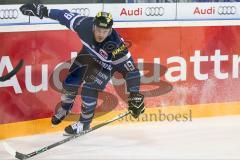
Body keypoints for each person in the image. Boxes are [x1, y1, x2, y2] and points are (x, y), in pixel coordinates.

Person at [19, 3, 145, 135]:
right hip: (88, 54)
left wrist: (134, 94)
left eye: (105, 31)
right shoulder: (83, 25)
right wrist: (43, 10)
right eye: (98, 30)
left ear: (110, 31)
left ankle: (84, 124)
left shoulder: (116, 46)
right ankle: (65, 108)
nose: (101, 34)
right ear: (93, 26)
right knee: (69, 84)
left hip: (106, 66)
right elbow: (63, 15)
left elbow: (131, 71)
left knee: (88, 89)